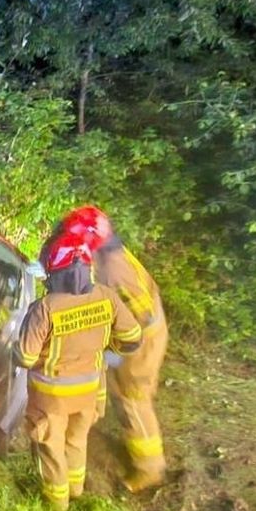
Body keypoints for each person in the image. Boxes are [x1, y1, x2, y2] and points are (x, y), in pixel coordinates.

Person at [16, 234, 143, 511]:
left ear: (54, 270)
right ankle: (76, 490)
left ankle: (55, 508)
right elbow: (133, 337)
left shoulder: (45, 308)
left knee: (51, 449)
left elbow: (25, 357)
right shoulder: (106, 297)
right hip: (89, 393)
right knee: (76, 441)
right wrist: (107, 349)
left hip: (51, 400)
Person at [52, 206, 169, 492]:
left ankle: (149, 469)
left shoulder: (115, 272)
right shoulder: (109, 254)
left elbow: (134, 321)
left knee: (132, 400)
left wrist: (113, 352)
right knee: (123, 389)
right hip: (142, 330)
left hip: (142, 341)